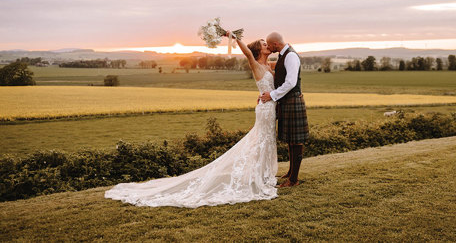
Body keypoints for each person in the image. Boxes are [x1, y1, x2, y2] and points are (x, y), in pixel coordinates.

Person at [104, 34, 278, 208]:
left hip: (270, 107)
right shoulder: (255, 64)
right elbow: (247, 53)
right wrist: (233, 37)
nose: (267, 46)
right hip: (264, 110)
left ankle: (263, 175)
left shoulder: (269, 66)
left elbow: (287, 68)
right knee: (261, 140)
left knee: (266, 140)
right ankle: (260, 177)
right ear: (258, 50)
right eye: (264, 44)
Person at [260, 32, 309, 187]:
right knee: (290, 139)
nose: (268, 47)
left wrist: (272, 95)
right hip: (287, 101)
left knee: (296, 141)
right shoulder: (282, 55)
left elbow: (291, 82)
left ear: (275, 44)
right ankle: (290, 172)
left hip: (293, 100)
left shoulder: (291, 56)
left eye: (269, 45)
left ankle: (293, 180)